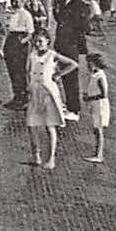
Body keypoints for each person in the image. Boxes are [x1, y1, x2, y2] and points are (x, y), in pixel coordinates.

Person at [24, 30, 76, 171]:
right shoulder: (32, 55)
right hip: (35, 93)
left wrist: (58, 74)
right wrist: (29, 85)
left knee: (49, 125)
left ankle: (51, 158)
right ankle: (36, 155)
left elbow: (73, 64)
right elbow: (27, 71)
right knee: (31, 124)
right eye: (36, 41)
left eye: (40, 41)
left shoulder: (52, 55)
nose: (38, 44)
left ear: (47, 41)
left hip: (48, 93)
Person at [2, 0, 35, 109]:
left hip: (20, 44)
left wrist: (20, 43)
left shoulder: (26, 15)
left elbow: (30, 33)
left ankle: (23, 98)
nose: (15, 3)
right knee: (12, 71)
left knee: (19, 72)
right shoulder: (11, 14)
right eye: (13, 0)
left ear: (23, 1)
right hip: (11, 41)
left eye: (17, 1)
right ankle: (16, 97)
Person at [82, 52, 111, 163]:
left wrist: (89, 98)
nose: (87, 66)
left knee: (98, 130)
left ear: (94, 64)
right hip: (95, 105)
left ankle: (99, 155)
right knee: (96, 129)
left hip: (99, 105)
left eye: (88, 63)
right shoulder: (95, 74)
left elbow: (104, 94)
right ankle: (97, 153)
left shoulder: (100, 76)